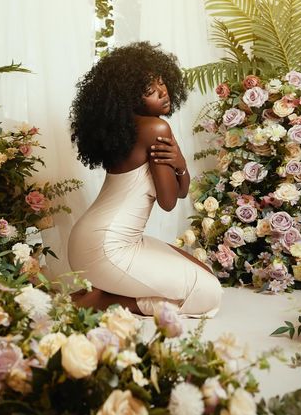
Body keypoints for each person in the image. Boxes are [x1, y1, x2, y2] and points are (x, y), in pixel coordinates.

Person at [68, 42, 222, 316]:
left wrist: (181, 164)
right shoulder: (155, 128)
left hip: (101, 241)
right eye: (150, 91)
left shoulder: (129, 131)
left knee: (204, 273)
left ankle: (104, 290)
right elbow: (168, 201)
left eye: (162, 83)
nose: (163, 93)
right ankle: (96, 301)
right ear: (128, 99)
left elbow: (182, 191)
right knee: (207, 295)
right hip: (107, 248)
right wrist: (180, 165)